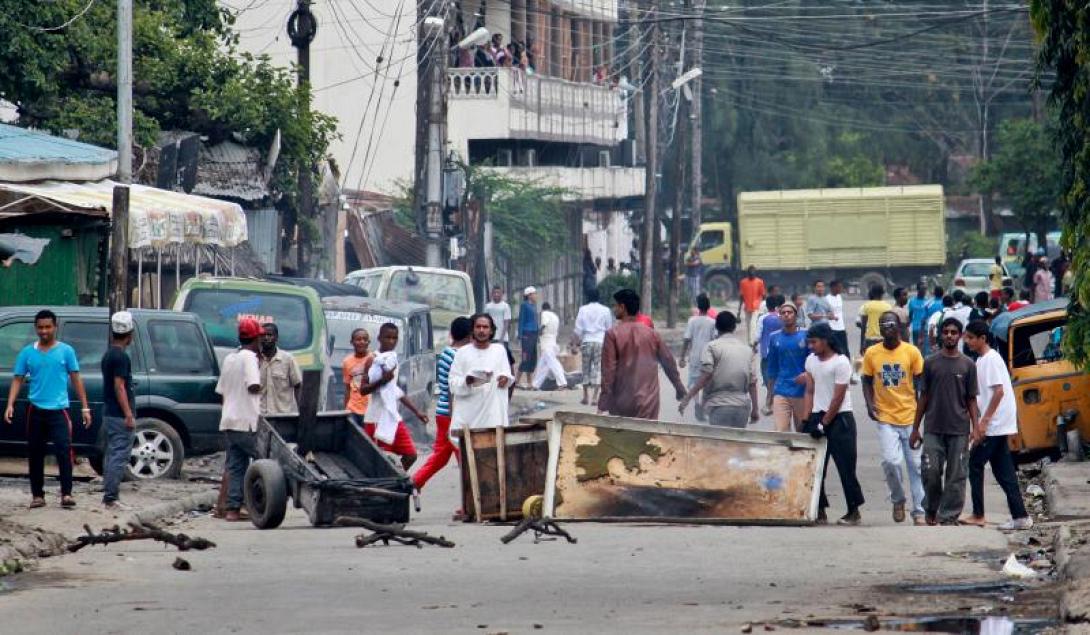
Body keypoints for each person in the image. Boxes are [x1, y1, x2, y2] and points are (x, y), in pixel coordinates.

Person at [3, 309, 90, 509]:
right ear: (36, 328)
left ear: (55, 327)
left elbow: (76, 379)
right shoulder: (27, 353)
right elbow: (17, 379)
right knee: (35, 453)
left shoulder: (66, 351)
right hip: (35, 410)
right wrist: (10, 404)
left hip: (59, 410)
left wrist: (85, 407)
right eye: (40, 327)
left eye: (48, 327)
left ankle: (66, 494)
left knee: (63, 451)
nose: (44, 331)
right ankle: (37, 495)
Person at [960, 320, 1033, 530]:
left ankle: (978, 514)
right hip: (998, 423)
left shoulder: (990, 359)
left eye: (971, 338)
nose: (967, 341)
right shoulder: (982, 360)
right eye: (967, 337)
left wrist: (984, 422)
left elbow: (999, 392)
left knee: (975, 464)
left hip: (995, 423)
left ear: (982, 338)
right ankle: (1020, 517)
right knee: (1003, 471)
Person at [911, 318, 978, 526]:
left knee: (956, 476)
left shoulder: (968, 364)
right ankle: (931, 508)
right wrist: (915, 428)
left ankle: (948, 516)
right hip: (933, 428)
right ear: (941, 335)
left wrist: (976, 428)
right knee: (930, 472)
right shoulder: (930, 362)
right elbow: (923, 396)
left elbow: (971, 399)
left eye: (954, 332)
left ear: (960, 336)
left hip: (959, 429)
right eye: (946, 332)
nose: (949, 335)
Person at [861, 311, 926, 525]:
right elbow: (866, 380)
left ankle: (919, 511)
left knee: (916, 466)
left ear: (899, 327)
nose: (886, 328)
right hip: (885, 417)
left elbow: (921, 382)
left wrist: (921, 412)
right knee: (891, 462)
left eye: (890, 324)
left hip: (910, 417)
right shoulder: (872, 353)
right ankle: (898, 499)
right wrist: (870, 405)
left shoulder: (911, 352)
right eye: (882, 324)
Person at [803, 323, 864, 526]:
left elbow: (838, 398)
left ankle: (853, 510)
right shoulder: (811, 361)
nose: (811, 346)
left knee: (846, 467)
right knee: (816, 467)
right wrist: (806, 420)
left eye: (814, 342)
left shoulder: (841, 362)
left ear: (826, 340)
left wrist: (824, 423)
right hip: (817, 415)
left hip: (840, 419)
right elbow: (809, 391)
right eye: (809, 342)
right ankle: (819, 509)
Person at [598, 289, 686, 419]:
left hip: (621, 403)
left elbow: (608, 372)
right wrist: (679, 388)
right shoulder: (652, 334)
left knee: (623, 432)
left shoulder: (612, 334)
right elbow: (669, 363)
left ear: (623, 307)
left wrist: (603, 402)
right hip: (648, 403)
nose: (614, 309)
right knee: (646, 432)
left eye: (615, 305)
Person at [413, 317, 472, 491]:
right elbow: (455, 390)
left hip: (443, 411)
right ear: (469, 335)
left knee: (441, 456)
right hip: (452, 413)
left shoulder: (447, 352)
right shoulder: (458, 356)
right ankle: (470, 499)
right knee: (466, 460)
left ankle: (414, 482)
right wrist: (455, 419)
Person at [359, 323, 429, 471]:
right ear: (379, 338)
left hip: (392, 417)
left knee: (411, 455)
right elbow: (363, 390)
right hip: (376, 419)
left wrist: (417, 412)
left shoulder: (392, 359)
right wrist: (382, 381)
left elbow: (394, 390)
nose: (391, 341)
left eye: (394, 338)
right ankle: (384, 482)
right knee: (377, 461)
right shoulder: (373, 360)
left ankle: (394, 480)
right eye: (388, 337)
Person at [215, 318, 264, 522]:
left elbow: (221, 390)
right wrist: (263, 387)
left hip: (229, 420)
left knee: (236, 465)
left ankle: (233, 509)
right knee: (264, 461)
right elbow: (253, 385)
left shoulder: (230, 358)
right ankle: (258, 504)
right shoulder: (249, 358)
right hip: (246, 421)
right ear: (256, 338)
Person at [679, 311, 759, 428]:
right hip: (742, 407)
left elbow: (706, 376)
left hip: (719, 406)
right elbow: (752, 383)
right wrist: (755, 409)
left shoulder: (711, 347)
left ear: (716, 327)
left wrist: (687, 398)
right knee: (736, 439)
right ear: (734, 327)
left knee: (719, 439)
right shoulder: (747, 350)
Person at [449, 313, 515, 433]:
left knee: (495, 442)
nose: (481, 330)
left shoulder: (499, 351)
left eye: (485, 327)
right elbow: (452, 383)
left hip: (493, 415)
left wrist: (505, 379)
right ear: (472, 330)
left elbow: (508, 376)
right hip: (469, 416)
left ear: (491, 331)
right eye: (478, 327)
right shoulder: (462, 353)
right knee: (467, 443)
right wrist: (467, 381)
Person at [101, 311, 135, 509]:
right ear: (130, 334)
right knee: (119, 455)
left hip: (109, 412)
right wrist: (128, 413)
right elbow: (119, 386)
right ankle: (111, 497)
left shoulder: (108, 355)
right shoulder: (121, 357)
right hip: (118, 414)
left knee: (112, 452)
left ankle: (108, 493)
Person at [766, 302, 809, 433]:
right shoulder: (774, 337)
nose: (786, 315)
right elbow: (772, 368)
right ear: (780, 316)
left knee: (802, 433)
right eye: (783, 313)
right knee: (780, 433)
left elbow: (814, 363)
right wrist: (769, 396)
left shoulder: (806, 335)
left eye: (789, 312)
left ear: (796, 316)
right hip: (781, 390)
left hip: (802, 392)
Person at [679, 294, 718, 422]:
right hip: (708, 357)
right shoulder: (712, 322)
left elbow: (686, 339)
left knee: (694, 382)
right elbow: (715, 340)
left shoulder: (692, 321)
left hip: (695, 356)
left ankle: (697, 403)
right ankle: (703, 404)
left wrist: (682, 356)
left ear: (698, 307)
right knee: (707, 382)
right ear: (708, 307)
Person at [572, 288, 613, 406]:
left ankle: (585, 396)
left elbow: (578, 329)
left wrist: (574, 345)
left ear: (587, 297)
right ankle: (595, 397)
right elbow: (609, 329)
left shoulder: (583, 309)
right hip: (601, 342)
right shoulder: (606, 310)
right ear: (599, 297)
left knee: (586, 369)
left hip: (587, 341)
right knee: (598, 369)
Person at [259, 323, 302, 415]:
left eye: (269, 335)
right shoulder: (255, 360)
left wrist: (302, 413)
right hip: (260, 416)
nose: (266, 338)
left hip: (282, 417)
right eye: (263, 335)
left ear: (276, 338)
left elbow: (298, 385)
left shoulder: (288, 359)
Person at [753, 294, 785, 416]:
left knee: (767, 374)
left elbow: (757, 335)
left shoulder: (763, 318)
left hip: (766, 352)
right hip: (779, 351)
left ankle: (770, 399)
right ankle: (773, 398)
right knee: (776, 374)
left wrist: (754, 346)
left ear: (766, 306)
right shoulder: (781, 317)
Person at [531, 302, 567, 390]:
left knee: (553, 363)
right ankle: (535, 385)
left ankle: (562, 382)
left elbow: (544, 324)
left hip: (547, 342)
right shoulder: (555, 316)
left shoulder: (544, 314)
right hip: (552, 341)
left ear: (542, 309)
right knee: (542, 366)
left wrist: (538, 332)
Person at [517, 286, 540, 389]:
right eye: (534, 294)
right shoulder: (524, 305)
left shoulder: (534, 306)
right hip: (527, 334)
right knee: (525, 358)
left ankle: (529, 382)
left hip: (534, 334)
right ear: (529, 295)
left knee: (532, 358)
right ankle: (517, 381)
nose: (536, 295)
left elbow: (536, 321)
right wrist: (520, 336)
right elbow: (521, 320)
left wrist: (537, 334)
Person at [857, 285, 892, 352]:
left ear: (872, 293)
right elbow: (890, 326)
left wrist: (861, 345)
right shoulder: (888, 307)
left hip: (870, 339)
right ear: (882, 293)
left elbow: (863, 327)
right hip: (884, 339)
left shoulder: (866, 306)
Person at [737, 266, 766, 342]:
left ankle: (752, 342)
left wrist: (764, 307)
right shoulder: (743, 282)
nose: (752, 274)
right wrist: (738, 312)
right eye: (750, 273)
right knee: (748, 326)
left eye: (753, 273)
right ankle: (749, 342)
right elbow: (741, 297)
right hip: (747, 307)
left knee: (753, 325)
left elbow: (763, 295)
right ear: (748, 273)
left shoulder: (759, 282)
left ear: (755, 273)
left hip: (756, 307)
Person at [827, 280, 851, 368]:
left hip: (841, 328)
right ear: (833, 287)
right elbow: (826, 314)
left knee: (846, 352)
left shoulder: (839, 297)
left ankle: (848, 371)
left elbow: (840, 314)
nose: (841, 289)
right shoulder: (827, 299)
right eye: (839, 287)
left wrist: (844, 328)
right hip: (832, 329)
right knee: (836, 351)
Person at [907, 283, 932, 353]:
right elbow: (910, 315)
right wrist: (907, 327)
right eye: (922, 289)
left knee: (926, 350)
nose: (924, 291)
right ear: (918, 290)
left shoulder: (928, 301)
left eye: (925, 289)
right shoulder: (912, 301)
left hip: (926, 329)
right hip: (915, 329)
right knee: (916, 349)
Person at [921, 286, 946, 356]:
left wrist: (921, 335)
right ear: (943, 293)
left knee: (929, 351)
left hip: (929, 329)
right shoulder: (945, 303)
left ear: (934, 293)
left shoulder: (928, 303)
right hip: (942, 329)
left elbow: (923, 319)